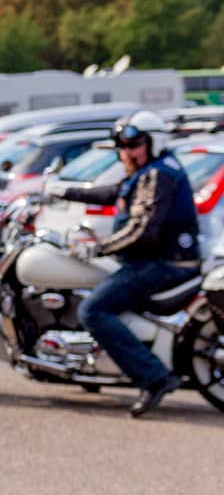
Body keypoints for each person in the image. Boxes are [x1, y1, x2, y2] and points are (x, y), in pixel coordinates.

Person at [45, 111, 201, 416]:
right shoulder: (150, 170)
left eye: (133, 144)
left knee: (93, 310)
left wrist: (97, 249)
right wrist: (61, 190)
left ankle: (154, 378)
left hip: (163, 264)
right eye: (122, 145)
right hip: (155, 260)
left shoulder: (159, 174)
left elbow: (144, 229)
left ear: (154, 142)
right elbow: (114, 192)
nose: (126, 152)